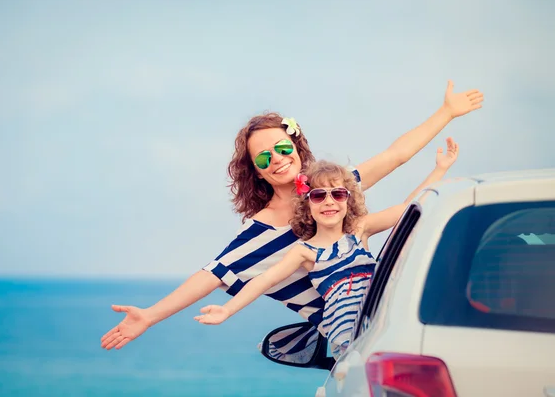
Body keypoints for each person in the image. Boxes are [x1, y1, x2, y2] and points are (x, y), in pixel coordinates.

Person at [101, 81, 482, 351]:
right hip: (358, 340)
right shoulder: (258, 234)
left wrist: (446, 113)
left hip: (398, 312)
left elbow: (396, 156)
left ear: (297, 148)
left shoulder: (332, 189)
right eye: (264, 158)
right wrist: (149, 316)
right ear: (257, 172)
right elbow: (210, 276)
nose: (277, 160)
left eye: (282, 149)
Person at [194, 142, 459, 357]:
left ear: (348, 199)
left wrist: (439, 170)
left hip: (385, 328)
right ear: (307, 204)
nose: (329, 202)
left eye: (338, 194)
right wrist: (227, 310)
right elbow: (264, 280)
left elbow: (409, 208)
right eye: (319, 196)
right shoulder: (304, 252)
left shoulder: (359, 230)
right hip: (352, 347)